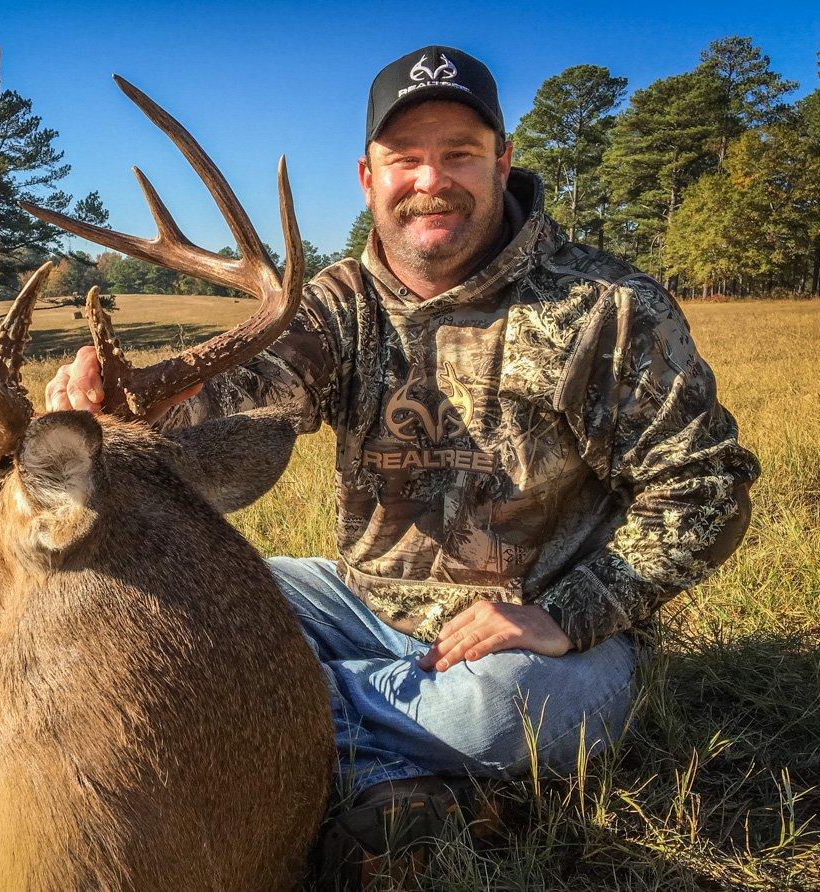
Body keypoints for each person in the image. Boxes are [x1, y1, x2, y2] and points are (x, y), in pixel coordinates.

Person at [46, 45, 759, 876]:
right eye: (405, 158)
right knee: (156, 598)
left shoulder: (602, 308)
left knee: (504, 719)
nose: (431, 179)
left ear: (501, 160)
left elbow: (704, 486)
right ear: (366, 176)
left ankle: (268, 722)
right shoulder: (338, 302)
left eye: (458, 152)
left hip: (530, 637)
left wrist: (568, 613)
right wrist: (136, 403)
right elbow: (257, 392)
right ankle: (388, 769)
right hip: (356, 602)